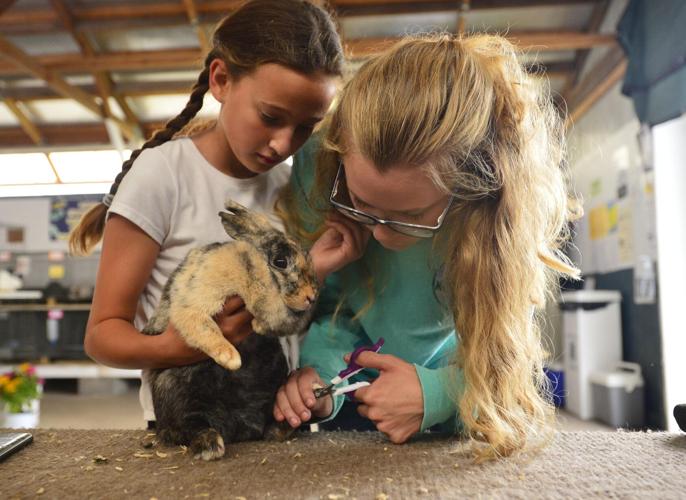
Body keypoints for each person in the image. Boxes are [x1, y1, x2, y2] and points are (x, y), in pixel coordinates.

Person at [273, 33, 581, 459]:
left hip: (462, 402)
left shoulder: (499, 207)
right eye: (361, 204)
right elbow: (333, 310)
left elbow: (504, 361)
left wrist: (437, 393)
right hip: (351, 395)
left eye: (410, 217)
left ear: (469, 193)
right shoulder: (320, 165)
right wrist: (322, 384)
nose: (378, 233)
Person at [69, 0, 361, 427]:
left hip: (280, 428)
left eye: (306, 127)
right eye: (270, 116)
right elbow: (102, 337)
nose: (283, 143)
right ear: (221, 80)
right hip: (191, 426)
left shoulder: (291, 186)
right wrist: (181, 346)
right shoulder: (163, 174)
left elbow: (292, 322)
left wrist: (319, 272)